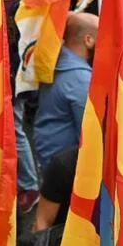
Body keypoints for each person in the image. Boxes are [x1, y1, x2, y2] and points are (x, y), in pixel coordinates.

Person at [33, 12, 98, 166]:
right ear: (88, 40)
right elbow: (87, 133)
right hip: (66, 165)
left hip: (47, 151)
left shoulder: (52, 61)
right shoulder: (81, 79)